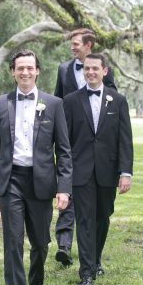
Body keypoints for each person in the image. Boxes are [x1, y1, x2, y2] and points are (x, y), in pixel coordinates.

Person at [0, 50, 72, 285]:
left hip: (42, 182)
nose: (25, 72)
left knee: (40, 242)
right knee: (12, 242)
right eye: (20, 68)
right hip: (11, 181)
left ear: (37, 71)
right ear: (12, 72)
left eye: (29, 68)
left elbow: (64, 150)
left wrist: (64, 188)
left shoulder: (54, 104)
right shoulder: (0, 104)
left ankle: (37, 283)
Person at [62, 53, 132, 285]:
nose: (90, 72)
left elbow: (125, 140)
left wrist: (125, 172)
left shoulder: (118, 100)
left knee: (103, 217)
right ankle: (86, 272)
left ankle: (96, 258)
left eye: (95, 68)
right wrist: (65, 172)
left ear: (105, 71)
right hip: (80, 171)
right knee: (84, 220)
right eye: (86, 68)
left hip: (107, 171)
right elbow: (65, 142)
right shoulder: (70, 101)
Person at [53, 28, 116, 266]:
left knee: (96, 209)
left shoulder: (101, 68)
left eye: (77, 43)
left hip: (95, 144)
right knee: (67, 192)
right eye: (71, 43)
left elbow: (112, 98)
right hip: (70, 138)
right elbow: (58, 99)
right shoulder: (63, 69)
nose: (72, 47)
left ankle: (88, 254)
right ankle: (64, 245)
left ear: (89, 45)